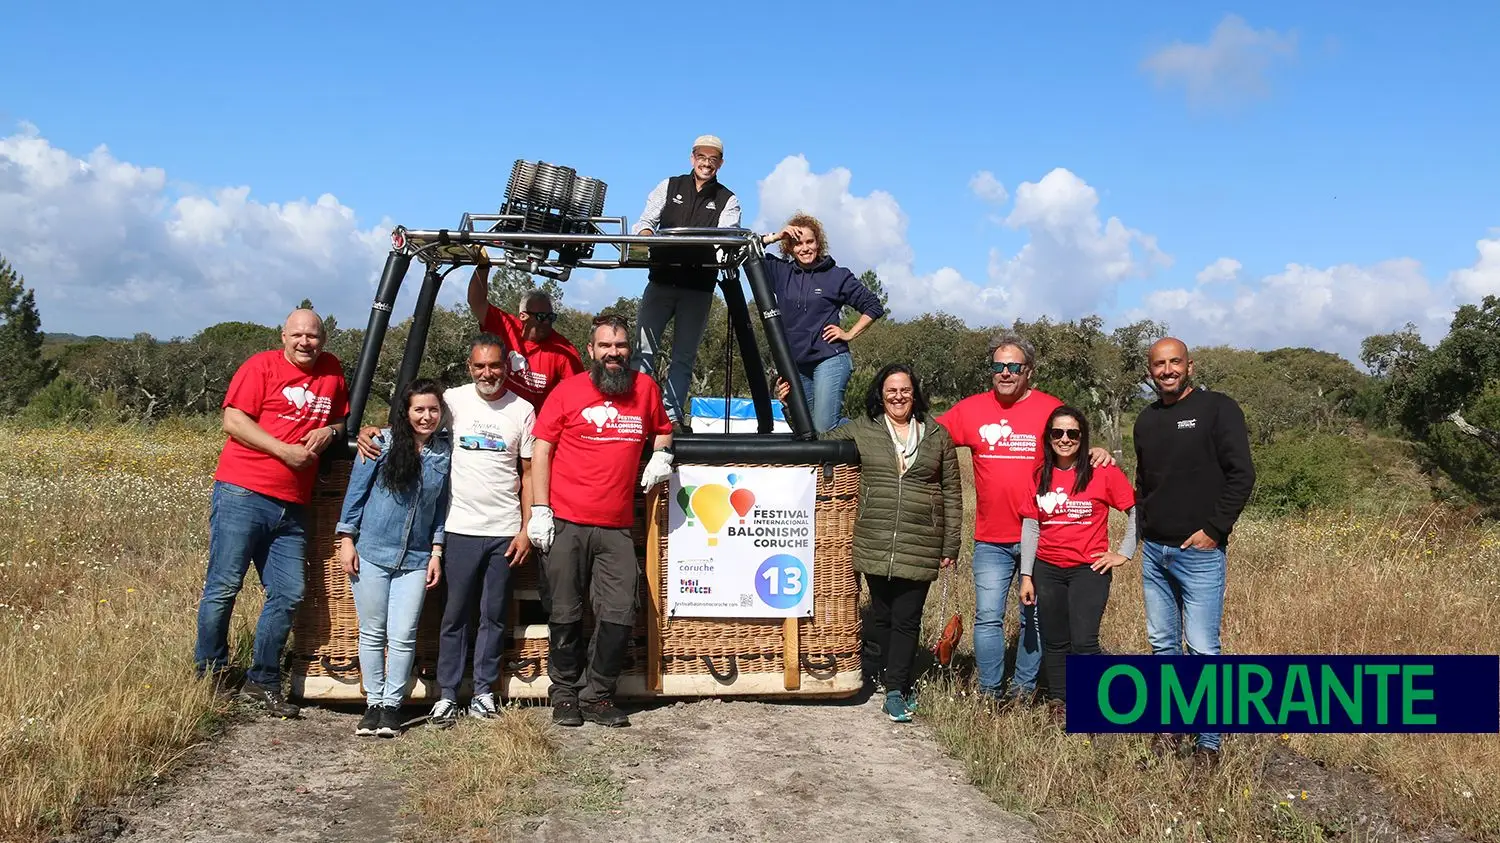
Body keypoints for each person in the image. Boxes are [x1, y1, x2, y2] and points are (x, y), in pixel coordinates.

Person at [356, 335, 537, 728]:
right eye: (480, 367)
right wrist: (372, 429)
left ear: (507, 367)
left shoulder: (523, 410)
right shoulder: (452, 401)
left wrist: (525, 529)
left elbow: (527, 473)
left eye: (495, 366)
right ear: (469, 367)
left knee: (493, 615)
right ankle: (448, 693)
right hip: (458, 527)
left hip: (504, 529)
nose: (487, 373)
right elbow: (413, 418)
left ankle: (485, 691)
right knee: (454, 615)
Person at [936, 333, 1113, 706]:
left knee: (1032, 617)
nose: (1005, 373)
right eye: (998, 366)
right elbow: (927, 439)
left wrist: (1098, 450)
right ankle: (990, 691)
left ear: (1028, 371)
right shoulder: (970, 410)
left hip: (1044, 536)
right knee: (987, 618)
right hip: (990, 537)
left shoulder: (1050, 409)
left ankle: (1023, 690)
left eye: (1013, 366)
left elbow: (1074, 439)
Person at [194, 308, 349, 718]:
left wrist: (331, 431)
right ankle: (209, 674)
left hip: (294, 504)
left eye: (313, 336)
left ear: (324, 339)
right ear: (283, 335)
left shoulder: (332, 371)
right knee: (224, 586)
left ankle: (261, 679)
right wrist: (282, 450)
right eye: (297, 335)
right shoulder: (259, 366)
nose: (305, 343)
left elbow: (342, 419)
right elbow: (232, 419)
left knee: (289, 592)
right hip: (243, 492)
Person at [787, 364, 958, 722]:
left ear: (915, 394)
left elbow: (952, 493)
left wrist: (950, 546)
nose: (898, 396)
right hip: (874, 538)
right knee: (882, 616)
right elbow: (819, 442)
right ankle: (884, 670)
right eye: (891, 390)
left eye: (905, 390)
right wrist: (791, 408)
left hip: (921, 540)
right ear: (881, 394)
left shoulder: (937, 435)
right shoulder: (863, 429)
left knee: (908, 619)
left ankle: (896, 688)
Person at [527, 314, 674, 728]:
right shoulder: (567, 391)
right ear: (590, 350)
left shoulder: (645, 389)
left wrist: (662, 453)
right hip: (566, 521)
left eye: (621, 346)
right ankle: (564, 693)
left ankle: (598, 694)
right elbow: (542, 449)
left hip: (616, 524)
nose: (614, 353)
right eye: (605, 346)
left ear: (630, 351)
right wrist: (540, 509)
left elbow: (662, 430)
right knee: (564, 611)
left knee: (619, 610)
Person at [1133, 337, 1255, 764]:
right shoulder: (1145, 421)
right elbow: (1144, 484)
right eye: (1159, 365)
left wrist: (1214, 530)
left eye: (1174, 363)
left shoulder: (1218, 409)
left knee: (1203, 649)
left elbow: (1242, 474)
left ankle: (1209, 742)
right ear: (1150, 371)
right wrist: (1142, 533)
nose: (1167, 371)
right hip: (1155, 553)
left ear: (1190, 366)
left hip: (1199, 554)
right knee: (1163, 645)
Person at [336, 379, 451, 738]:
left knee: (403, 634)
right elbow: (356, 495)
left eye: (433, 409)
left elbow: (439, 511)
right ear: (406, 411)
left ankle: (392, 706)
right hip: (371, 552)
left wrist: (436, 550)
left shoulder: (445, 454)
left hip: (416, 558)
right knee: (372, 631)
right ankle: (372, 703)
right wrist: (346, 540)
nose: (427, 416)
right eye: (419, 409)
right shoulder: (381, 445)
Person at [1017, 406, 1137, 724]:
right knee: (1055, 640)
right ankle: (1060, 701)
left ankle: (1092, 706)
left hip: (1090, 569)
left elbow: (1135, 510)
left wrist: (1124, 553)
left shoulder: (1104, 472)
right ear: (1049, 437)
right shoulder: (1038, 474)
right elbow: (1031, 527)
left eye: (1072, 433)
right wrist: (1026, 575)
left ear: (1082, 437)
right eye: (1058, 433)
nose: (1065, 439)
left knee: (1084, 640)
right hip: (1048, 568)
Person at [630, 134, 741, 429]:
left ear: (721, 163)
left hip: (699, 287)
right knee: (643, 350)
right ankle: (636, 412)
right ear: (692, 158)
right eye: (702, 157)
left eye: (713, 159)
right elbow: (645, 222)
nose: (707, 163)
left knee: (684, 356)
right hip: (661, 281)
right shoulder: (669, 185)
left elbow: (726, 238)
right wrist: (646, 238)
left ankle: (671, 416)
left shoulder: (728, 199)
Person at [759, 215, 885, 433]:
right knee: (807, 428)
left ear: (819, 243)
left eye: (810, 242)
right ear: (789, 247)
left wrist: (849, 333)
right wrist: (777, 236)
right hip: (797, 363)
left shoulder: (836, 276)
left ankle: (878, 433)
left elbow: (873, 306)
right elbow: (745, 251)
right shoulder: (780, 272)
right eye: (798, 243)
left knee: (824, 426)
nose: (805, 248)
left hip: (830, 357)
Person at [467, 260, 585, 410]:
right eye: (541, 317)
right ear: (523, 316)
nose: (547, 323)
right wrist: (483, 266)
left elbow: (575, 397)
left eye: (551, 317)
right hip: (497, 413)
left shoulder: (564, 352)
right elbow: (476, 301)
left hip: (535, 425)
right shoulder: (505, 325)